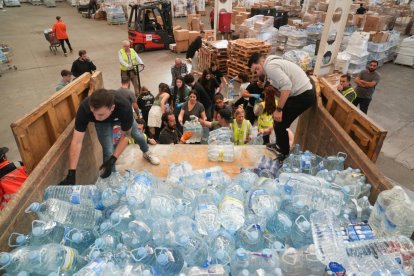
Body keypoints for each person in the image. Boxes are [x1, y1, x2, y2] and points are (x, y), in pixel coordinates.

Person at [58, 89, 134, 185]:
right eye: (93, 113)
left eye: (100, 114)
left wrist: (114, 158)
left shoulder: (125, 107)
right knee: (108, 150)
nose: (95, 117)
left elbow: (126, 136)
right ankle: (111, 180)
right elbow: (76, 142)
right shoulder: (85, 109)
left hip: (120, 117)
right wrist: (71, 173)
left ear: (112, 108)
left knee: (137, 135)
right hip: (103, 123)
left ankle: (146, 151)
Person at [248, 53, 315, 160]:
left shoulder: (270, 66)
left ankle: (284, 154)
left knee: (280, 124)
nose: (258, 72)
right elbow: (281, 89)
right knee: (278, 122)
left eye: (257, 69)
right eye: (255, 72)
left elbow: (287, 86)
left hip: (304, 95)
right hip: (301, 93)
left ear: (261, 62)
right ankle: (280, 146)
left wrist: (279, 109)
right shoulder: (273, 64)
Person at [115, 85, 160, 165]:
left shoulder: (138, 98)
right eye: (137, 128)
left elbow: (137, 106)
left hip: (143, 113)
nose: (138, 131)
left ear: (144, 130)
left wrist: (149, 140)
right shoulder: (151, 95)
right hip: (149, 113)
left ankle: (147, 153)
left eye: (140, 129)